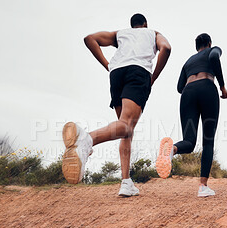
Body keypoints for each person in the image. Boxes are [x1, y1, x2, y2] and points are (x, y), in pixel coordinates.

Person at [62, 13, 171, 197]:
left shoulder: (120, 34)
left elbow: (90, 39)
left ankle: (126, 182)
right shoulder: (153, 33)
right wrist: (153, 77)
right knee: (126, 126)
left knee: (125, 128)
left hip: (117, 73)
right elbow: (166, 48)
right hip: (138, 72)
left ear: (132, 25)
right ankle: (87, 140)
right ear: (145, 24)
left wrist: (108, 65)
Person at [155, 33, 227, 197]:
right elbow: (215, 58)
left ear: (196, 47)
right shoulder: (213, 50)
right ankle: (203, 187)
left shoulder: (188, 62)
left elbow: (180, 87)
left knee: (189, 141)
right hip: (207, 89)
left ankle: (172, 150)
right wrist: (222, 86)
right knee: (208, 141)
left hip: (188, 93)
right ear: (209, 43)